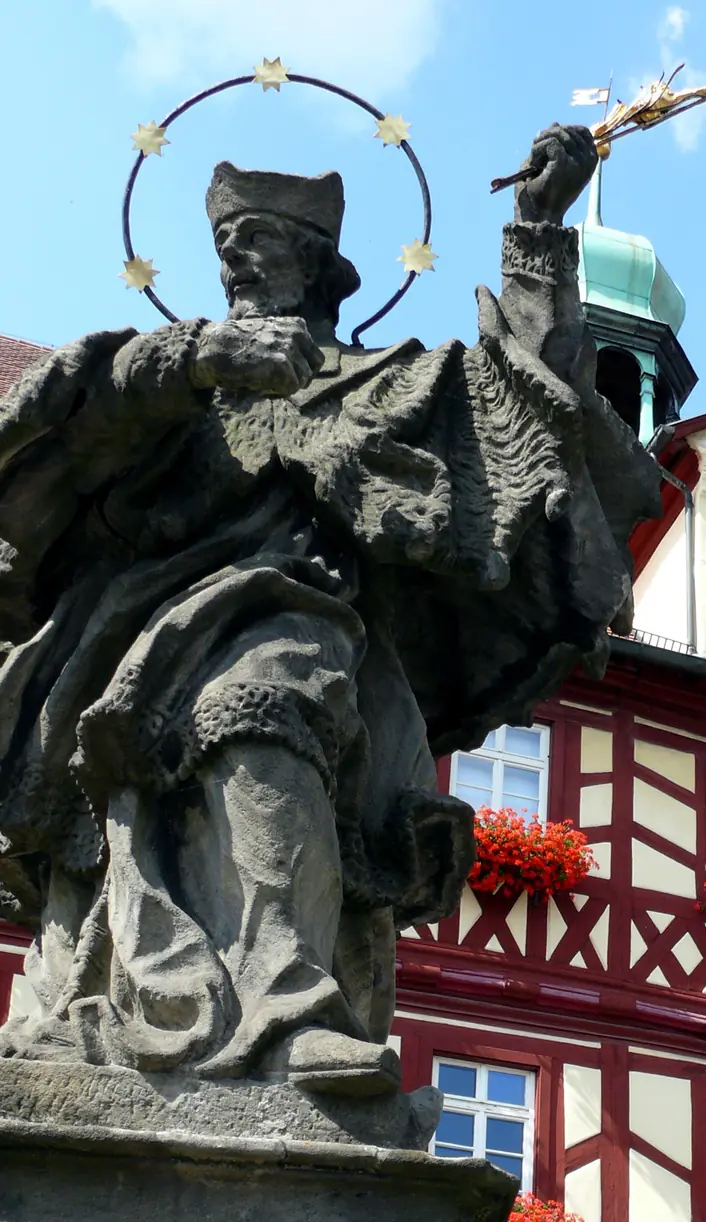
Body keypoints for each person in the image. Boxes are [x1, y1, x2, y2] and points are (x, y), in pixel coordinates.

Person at [0, 125, 658, 1094]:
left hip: (305, 623)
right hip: (128, 632)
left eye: (258, 246)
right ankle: (155, 997)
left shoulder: (378, 383)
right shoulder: (168, 374)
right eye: (227, 250)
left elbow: (536, 396)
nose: (235, 264)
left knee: (278, 682)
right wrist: (193, 363)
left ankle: (284, 995)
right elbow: (47, 434)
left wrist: (533, 232)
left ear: (316, 270)